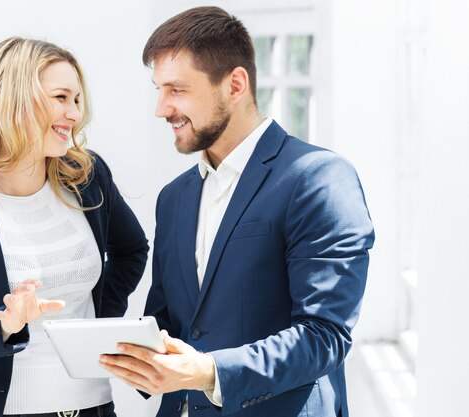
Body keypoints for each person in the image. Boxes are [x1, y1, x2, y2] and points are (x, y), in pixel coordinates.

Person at [99, 6, 375, 417]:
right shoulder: (173, 198)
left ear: (235, 84)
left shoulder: (318, 178)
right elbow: (169, 323)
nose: (161, 108)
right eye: (158, 89)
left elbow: (324, 337)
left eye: (177, 89)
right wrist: (127, 351)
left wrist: (209, 372)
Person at [0, 37, 149, 417]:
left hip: (93, 407)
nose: (74, 114)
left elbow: (132, 251)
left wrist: (96, 325)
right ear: (13, 98)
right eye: (61, 97)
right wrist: (5, 323)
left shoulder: (87, 176)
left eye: (77, 101)